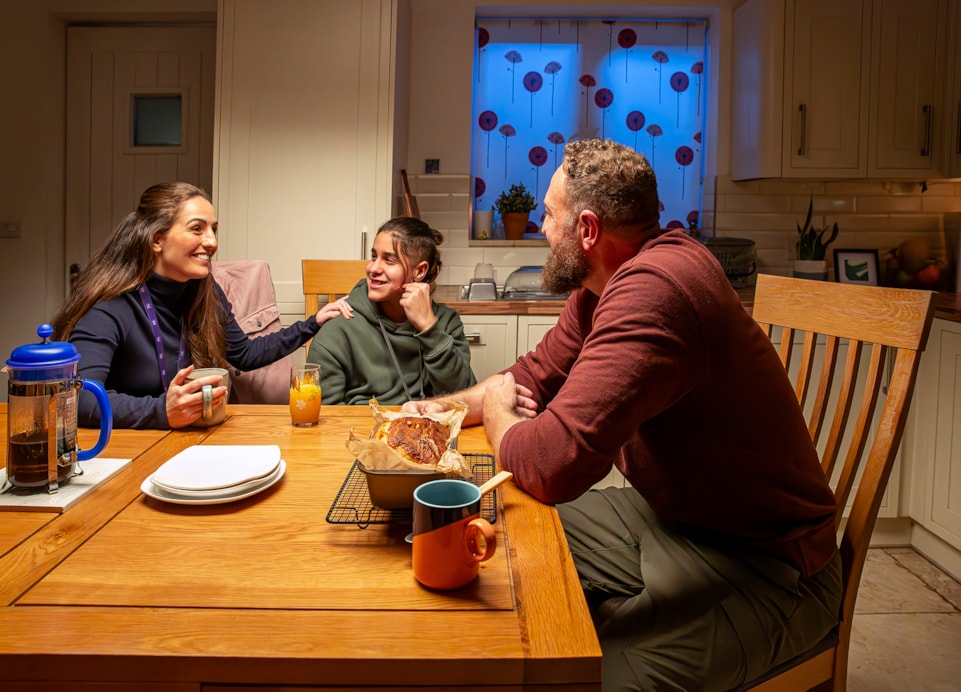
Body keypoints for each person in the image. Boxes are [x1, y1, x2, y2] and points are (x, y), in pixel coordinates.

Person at [405, 139, 842, 691]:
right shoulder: (604, 285)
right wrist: (433, 412)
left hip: (768, 567)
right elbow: (533, 374)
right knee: (492, 540)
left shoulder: (656, 291)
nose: (540, 227)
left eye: (548, 214)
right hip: (668, 519)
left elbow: (552, 466)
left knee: (592, 681)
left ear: (587, 230)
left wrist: (497, 411)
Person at [51, 182, 352, 430]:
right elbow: (79, 400)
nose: (211, 241)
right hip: (125, 452)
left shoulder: (206, 292)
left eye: (213, 230)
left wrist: (313, 322)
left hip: (188, 442)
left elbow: (245, 355)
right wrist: (161, 410)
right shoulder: (110, 306)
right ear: (157, 240)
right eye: (197, 229)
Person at [306, 216, 476, 405]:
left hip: (430, 430)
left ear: (419, 271)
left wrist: (429, 328)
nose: (373, 268)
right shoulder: (338, 329)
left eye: (389, 260)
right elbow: (325, 415)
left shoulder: (446, 323)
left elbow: (463, 398)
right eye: (373, 257)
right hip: (362, 431)